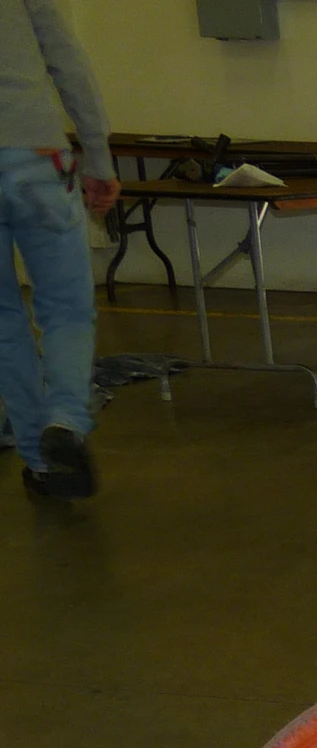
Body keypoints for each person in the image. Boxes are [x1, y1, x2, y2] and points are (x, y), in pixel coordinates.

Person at [0, 0, 117, 500]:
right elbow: (66, 60)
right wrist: (98, 154)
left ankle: (40, 464)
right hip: (35, 156)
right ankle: (65, 420)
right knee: (67, 308)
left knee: (3, 321)